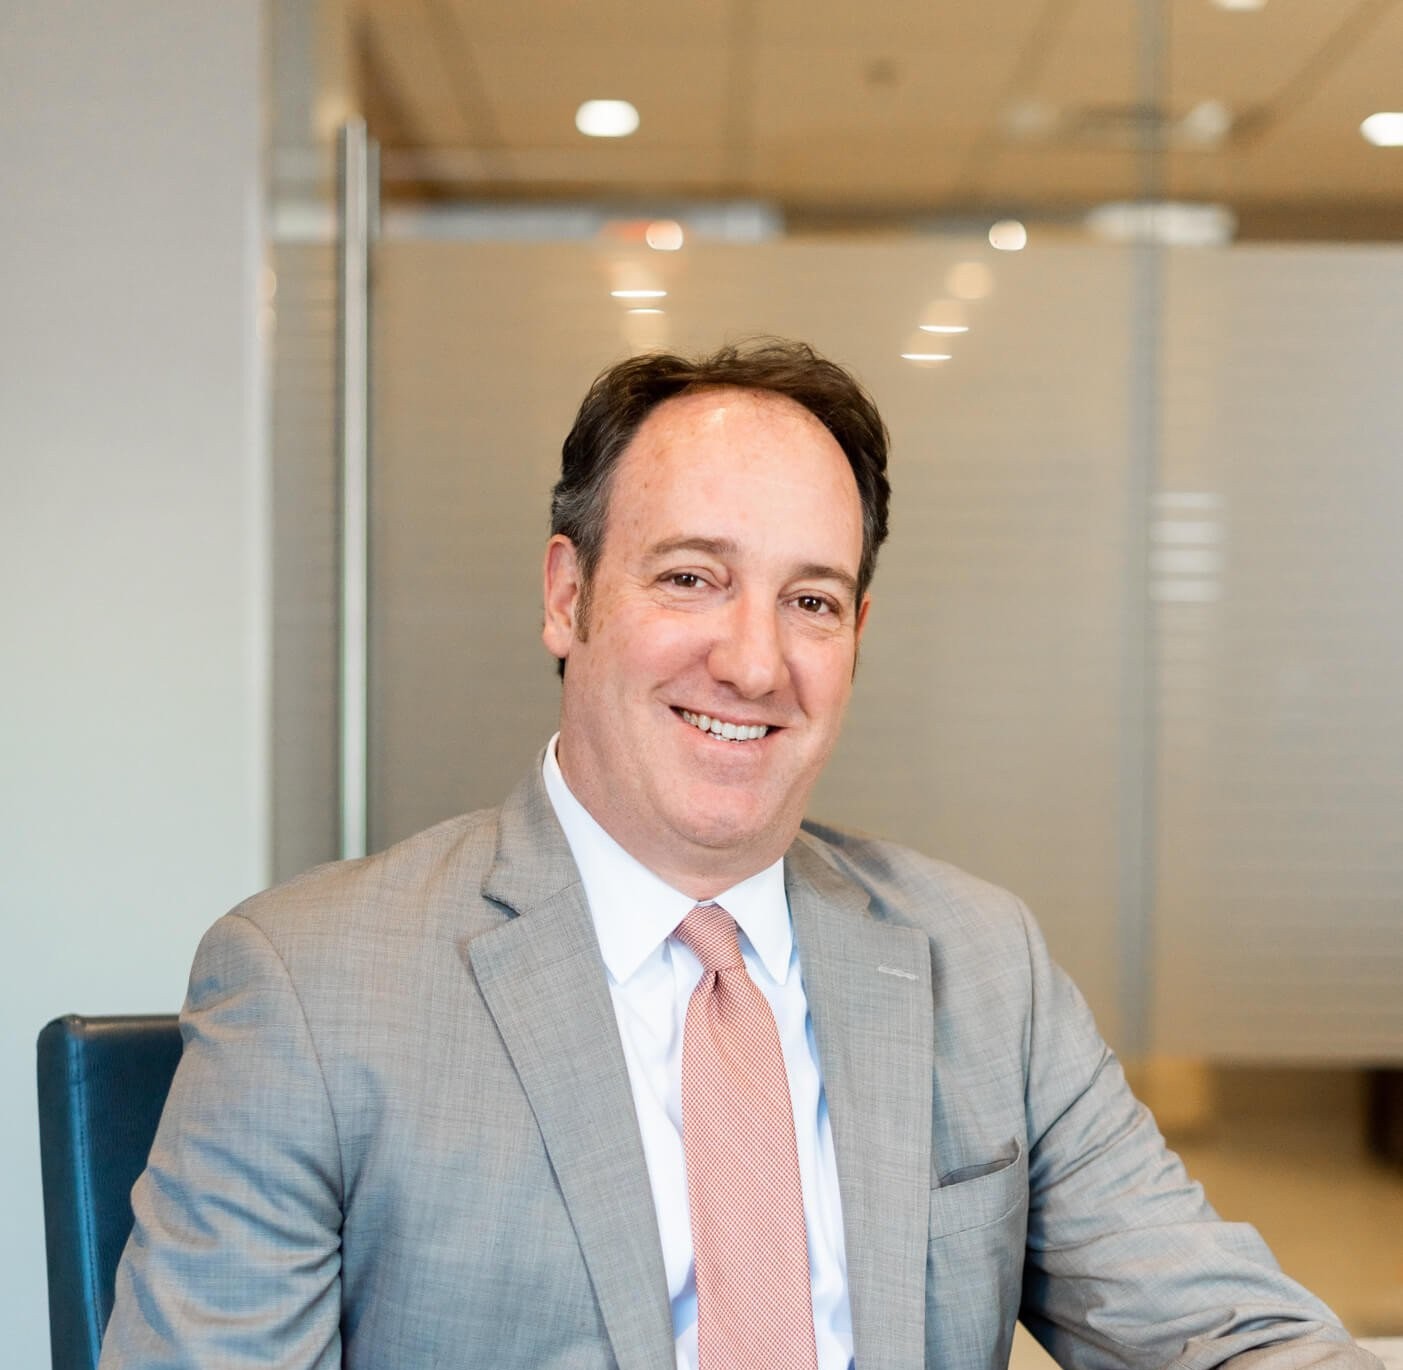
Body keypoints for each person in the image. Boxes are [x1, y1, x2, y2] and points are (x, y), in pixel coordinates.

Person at [101, 340, 1379, 1370]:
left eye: (810, 599)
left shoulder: (980, 963)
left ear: (857, 634)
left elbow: (1225, 1331)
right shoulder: (312, 986)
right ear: (567, 595)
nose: (754, 660)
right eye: (692, 578)